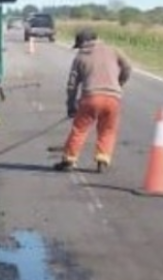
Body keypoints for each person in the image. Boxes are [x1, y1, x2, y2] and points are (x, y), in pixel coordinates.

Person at [55, 28, 133, 173]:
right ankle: (102, 159)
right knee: (108, 130)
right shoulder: (114, 50)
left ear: (82, 43)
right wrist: (119, 82)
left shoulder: (80, 57)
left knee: (79, 129)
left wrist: (71, 105)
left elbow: (72, 84)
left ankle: (69, 160)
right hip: (113, 98)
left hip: (91, 97)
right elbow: (127, 67)